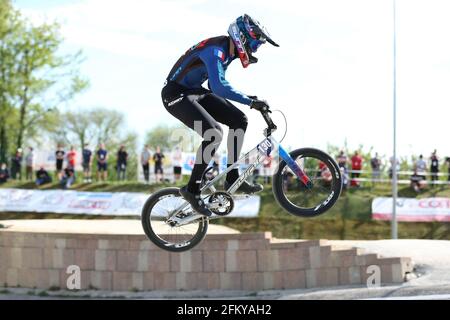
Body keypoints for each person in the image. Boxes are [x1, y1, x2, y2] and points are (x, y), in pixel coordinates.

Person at [161, 14, 278, 216]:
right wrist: (250, 101)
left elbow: (214, 86)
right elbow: (217, 86)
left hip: (193, 91)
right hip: (175, 94)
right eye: (255, 45)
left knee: (239, 120)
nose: (255, 50)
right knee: (213, 133)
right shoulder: (216, 51)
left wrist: (248, 99)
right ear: (243, 38)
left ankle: (232, 176)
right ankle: (192, 188)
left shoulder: (227, 50)